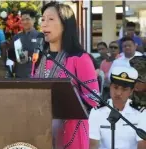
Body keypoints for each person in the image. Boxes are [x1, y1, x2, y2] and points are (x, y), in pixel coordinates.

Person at [36, 2, 99, 149]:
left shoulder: (80, 58)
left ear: (65, 24)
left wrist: (66, 102)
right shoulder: (40, 57)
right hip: (40, 131)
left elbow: (94, 98)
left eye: (50, 19)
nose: (44, 24)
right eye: (43, 19)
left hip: (71, 133)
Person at [89, 66, 146, 149]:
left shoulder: (140, 113)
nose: (118, 93)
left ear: (131, 91)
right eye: (115, 87)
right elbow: (93, 145)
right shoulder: (96, 112)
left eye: (124, 89)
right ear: (110, 87)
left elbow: (142, 145)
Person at [9, 10, 40, 78]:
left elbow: (44, 56)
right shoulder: (16, 37)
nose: (25, 22)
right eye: (22, 20)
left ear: (34, 20)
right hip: (19, 75)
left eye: (27, 19)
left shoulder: (40, 36)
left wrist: (28, 56)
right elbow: (11, 56)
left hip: (36, 75)